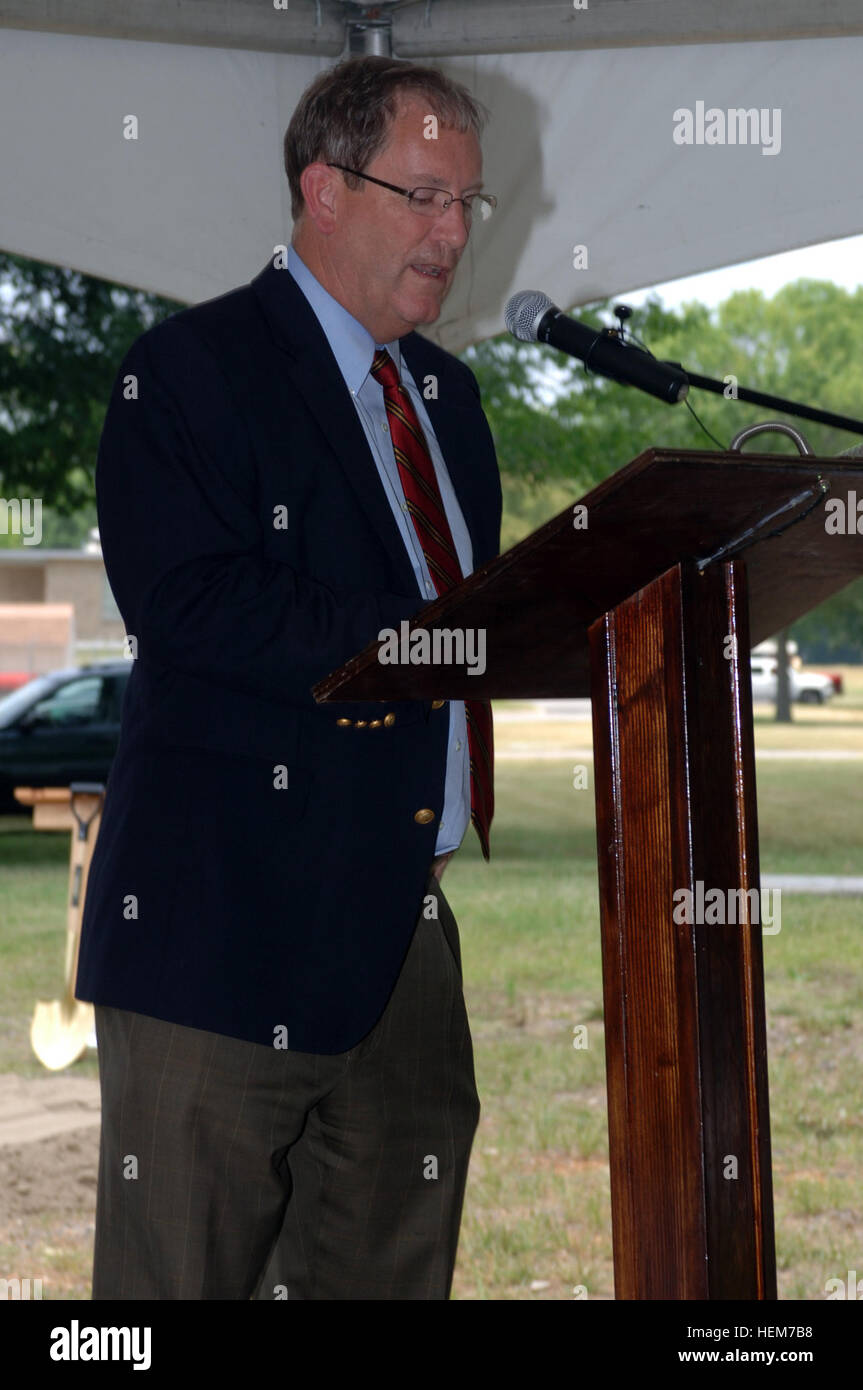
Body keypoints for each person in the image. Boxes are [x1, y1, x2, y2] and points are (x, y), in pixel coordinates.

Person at [75, 53, 502, 1301]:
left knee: (387, 1265)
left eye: (465, 204)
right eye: (420, 196)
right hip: (220, 923)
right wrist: (433, 633)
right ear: (321, 188)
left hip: (403, 926)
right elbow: (190, 602)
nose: (450, 233)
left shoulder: (449, 398)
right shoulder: (191, 370)